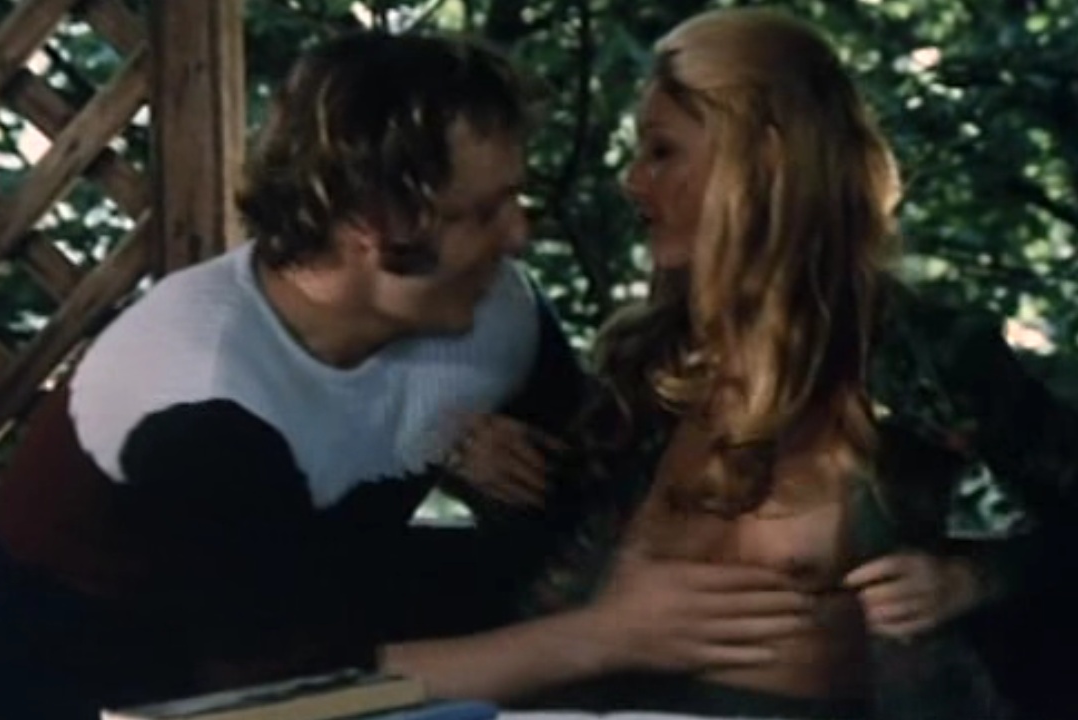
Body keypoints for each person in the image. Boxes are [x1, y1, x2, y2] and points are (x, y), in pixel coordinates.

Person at [382, 8, 1078, 719]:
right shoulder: (649, 359)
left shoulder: (921, 355)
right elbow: (578, 583)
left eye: (662, 151)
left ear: (762, 160)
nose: (633, 181)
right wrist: (484, 472)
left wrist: (974, 578)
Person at [0, 32, 591, 720]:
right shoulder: (196, 394)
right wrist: (604, 638)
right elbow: (298, 683)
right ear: (374, 220)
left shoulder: (492, 310)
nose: (518, 235)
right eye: (486, 212)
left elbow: (587, 490)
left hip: (312, 630)